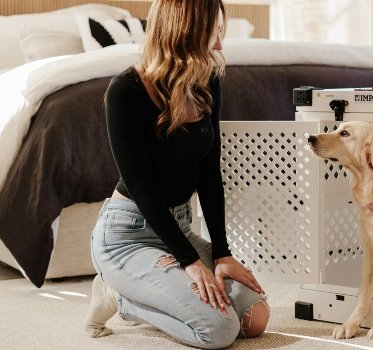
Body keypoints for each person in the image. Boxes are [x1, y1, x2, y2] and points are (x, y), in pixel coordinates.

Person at [84, 0, 269, 348]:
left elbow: (209, 174)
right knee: (219, 330)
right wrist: (190, 261)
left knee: (254, 318)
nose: (219, 45)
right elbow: (141, 187)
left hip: (179, 227)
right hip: (128, 235)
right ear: (185, 31)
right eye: (212, 32)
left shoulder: (207, 81)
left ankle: (146, 289)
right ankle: (116, 294)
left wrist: (223, 255)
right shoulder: (125, 89)